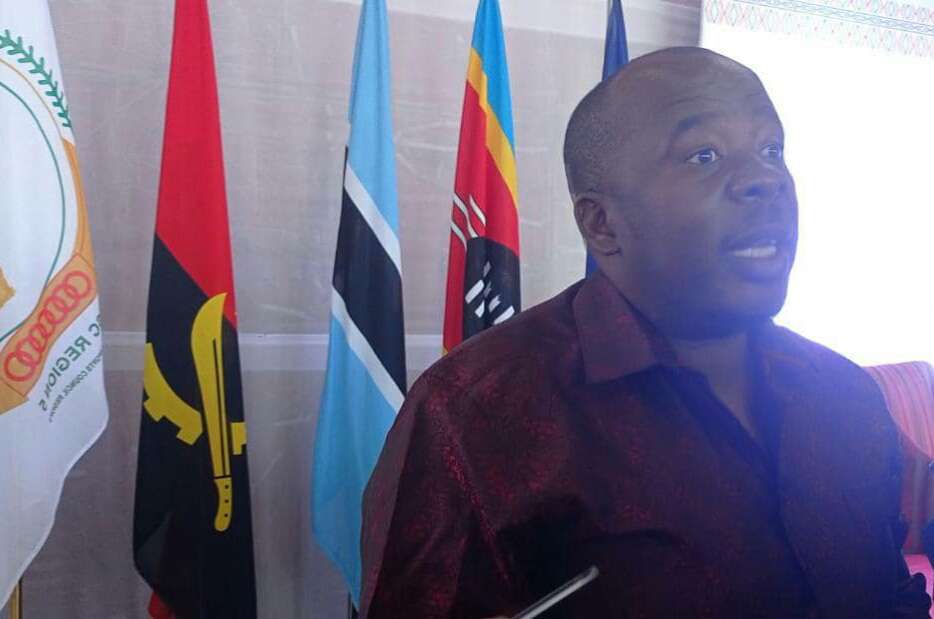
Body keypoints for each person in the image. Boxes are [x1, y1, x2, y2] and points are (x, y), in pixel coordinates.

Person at [359, 47, 931, 619]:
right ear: (601, 223)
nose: (765, 179)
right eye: (704, 155)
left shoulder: (844, 393)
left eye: (771, 150)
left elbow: (889, 595)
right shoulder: (476, 415)